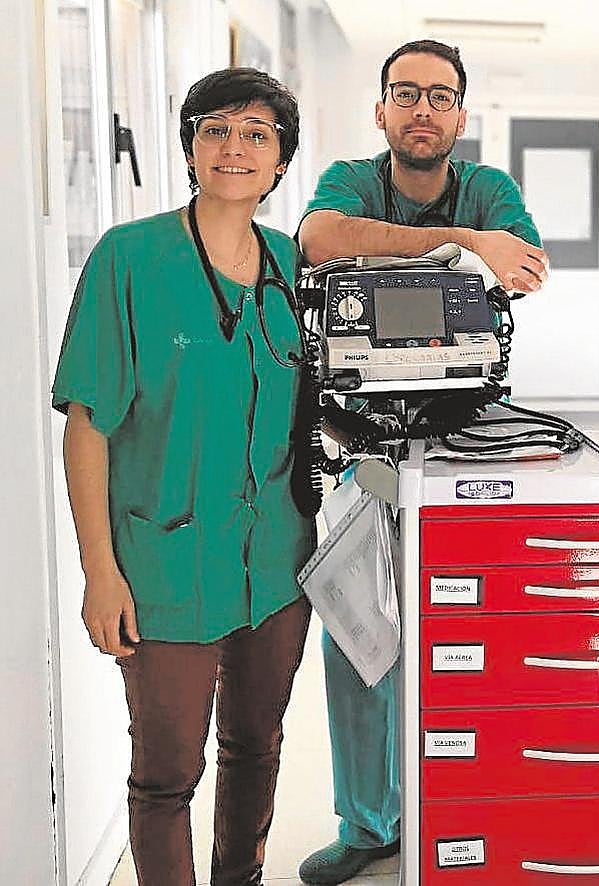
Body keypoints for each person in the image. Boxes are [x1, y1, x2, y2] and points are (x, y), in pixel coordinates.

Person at [52, 69, 314, 886]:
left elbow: (320, 398)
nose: (234, 147)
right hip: (162, 564)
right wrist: (101, 572)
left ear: (280, 163)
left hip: (275, 562)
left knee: (255, 747)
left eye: (256, 134)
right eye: (215, 130)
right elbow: (88, 425)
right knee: (166, 775)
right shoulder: (129, 259)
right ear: (191, 149)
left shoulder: (290, 265)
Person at [296, 39, 545, 886]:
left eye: (441, 96)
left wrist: (399, 260)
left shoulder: (494, 191)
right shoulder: (350, 183)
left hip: (468, 438)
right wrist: (456, 248)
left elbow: (519, 269)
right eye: (407, 93)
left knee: (469, 626)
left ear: (462, 117)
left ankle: (463, 808)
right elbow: (318, 239)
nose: (424, 109)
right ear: (382, 111)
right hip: (357, 446)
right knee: (360, 631)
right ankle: (370, 824)